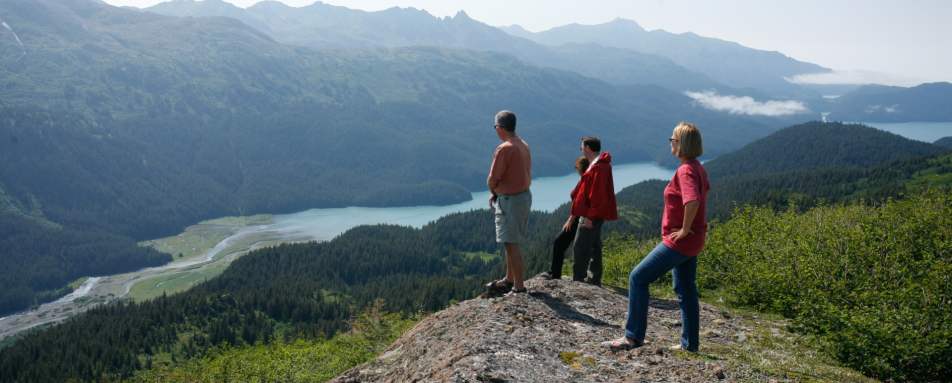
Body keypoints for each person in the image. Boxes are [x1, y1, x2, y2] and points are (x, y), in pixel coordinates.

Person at [603, 122, 710, 352]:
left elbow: (692, 200)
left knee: (638, 277)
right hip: (695, 240)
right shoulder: (697, 167)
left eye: (673, 139)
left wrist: (682, 229)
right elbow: (701, 196)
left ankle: (632, 337)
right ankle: (690, 345)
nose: (670, 142)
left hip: (681, 241)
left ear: (682, 144)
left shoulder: (685, 170)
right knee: (685, 289)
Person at [485, 110, 532, 296]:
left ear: (500, 127)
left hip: (510, 201)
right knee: (510, 240)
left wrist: (494, 191)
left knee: (511, 243)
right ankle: (510, 278)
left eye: (495, 127)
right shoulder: (523, 144)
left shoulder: (504, 148)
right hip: (523, 196)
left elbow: (492, 178)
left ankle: (518, 286)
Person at [570, 136, 618, 286]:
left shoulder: (599, 167)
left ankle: (579, 279)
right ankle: (594, 277)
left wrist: (590, 217)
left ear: (588, 148)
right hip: (593, 212)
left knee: (580, 246)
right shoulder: (596, 164)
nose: (581, 149)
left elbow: (598, 195)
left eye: (582, 147)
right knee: (594, 245)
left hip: (591, 214)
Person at [539, 156, 590, 280]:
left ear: (581, 167)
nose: (575, 169)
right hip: (582, 217)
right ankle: (573, 274)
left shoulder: (585, 180)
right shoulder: (587, 178)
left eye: (576, 167)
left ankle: (556, 273)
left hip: (579, 217)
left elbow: (579, 202)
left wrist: (571, 219)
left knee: (559, 243)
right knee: (583, 246)